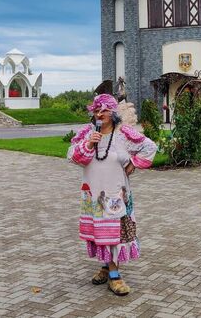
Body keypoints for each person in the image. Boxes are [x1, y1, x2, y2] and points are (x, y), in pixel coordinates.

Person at [67, 93, 157, 296]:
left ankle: (115, 276)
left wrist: (134, 163)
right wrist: (89, 144)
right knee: (101, 233)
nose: (100, 114)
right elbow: (73, 157)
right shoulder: (88, 133)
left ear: (113, 112)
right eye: (96, 110)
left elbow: (149, 146)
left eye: (104, 110)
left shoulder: (122, 134)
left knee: (114, 234)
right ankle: (107, 268)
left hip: (116, 194)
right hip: (94, 193)